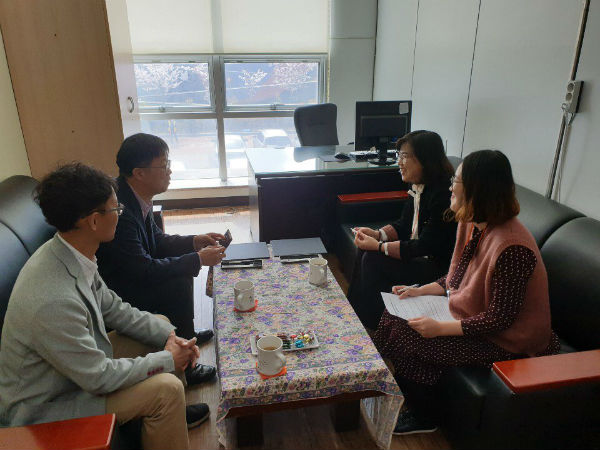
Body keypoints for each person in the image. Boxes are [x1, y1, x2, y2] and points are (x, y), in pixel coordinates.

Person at [0, 164, 209, 450]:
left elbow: (114, 309)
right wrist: (168, 359)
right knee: (166, 389)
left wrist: (171, 337)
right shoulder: (53, 300)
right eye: (116, 208)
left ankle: (165, 421)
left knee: (158, 325)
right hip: (48, 406)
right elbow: (98, 377)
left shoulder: (69, 252)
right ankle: (165, 412)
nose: (121, 214)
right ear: (94, 221)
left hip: (72, 374)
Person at [373, 150, 561, 435]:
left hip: (510, 342)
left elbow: (500, 320)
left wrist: (440, 328)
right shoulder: (473, 223)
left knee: (409, 335)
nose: (450, 187)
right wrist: (419, 291)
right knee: (393, 315)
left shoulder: (513, 248)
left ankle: (425, 416)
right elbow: (456, 277)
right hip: (473, 317)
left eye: (456, 182)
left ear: (477, 188)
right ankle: (405, 394)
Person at [97, 133, 224, 385]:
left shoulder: (135, 196)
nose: (170, 171)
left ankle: (185, 335)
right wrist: (198, 259)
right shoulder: (121, 211)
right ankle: (187, 366)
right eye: (164, 165)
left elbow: (157, 241)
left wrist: (193, 241)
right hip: (119, 291)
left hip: (131, 275)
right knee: (178, 279)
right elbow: (143, 270)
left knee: (183, 267)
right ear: (139, 173)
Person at [347, 130, 457, 330]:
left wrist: (379, 246)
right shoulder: (419, 186)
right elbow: (404, 224)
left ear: (425, 160)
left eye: (405, 156)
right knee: (365, 249)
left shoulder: (442, 196)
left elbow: (424, 246)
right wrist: (377, 234)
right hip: (419, 256)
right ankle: (354, 316)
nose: (399, 162)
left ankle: (375, 326)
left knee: (372, 258)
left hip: (437, 269)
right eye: (399, 155)